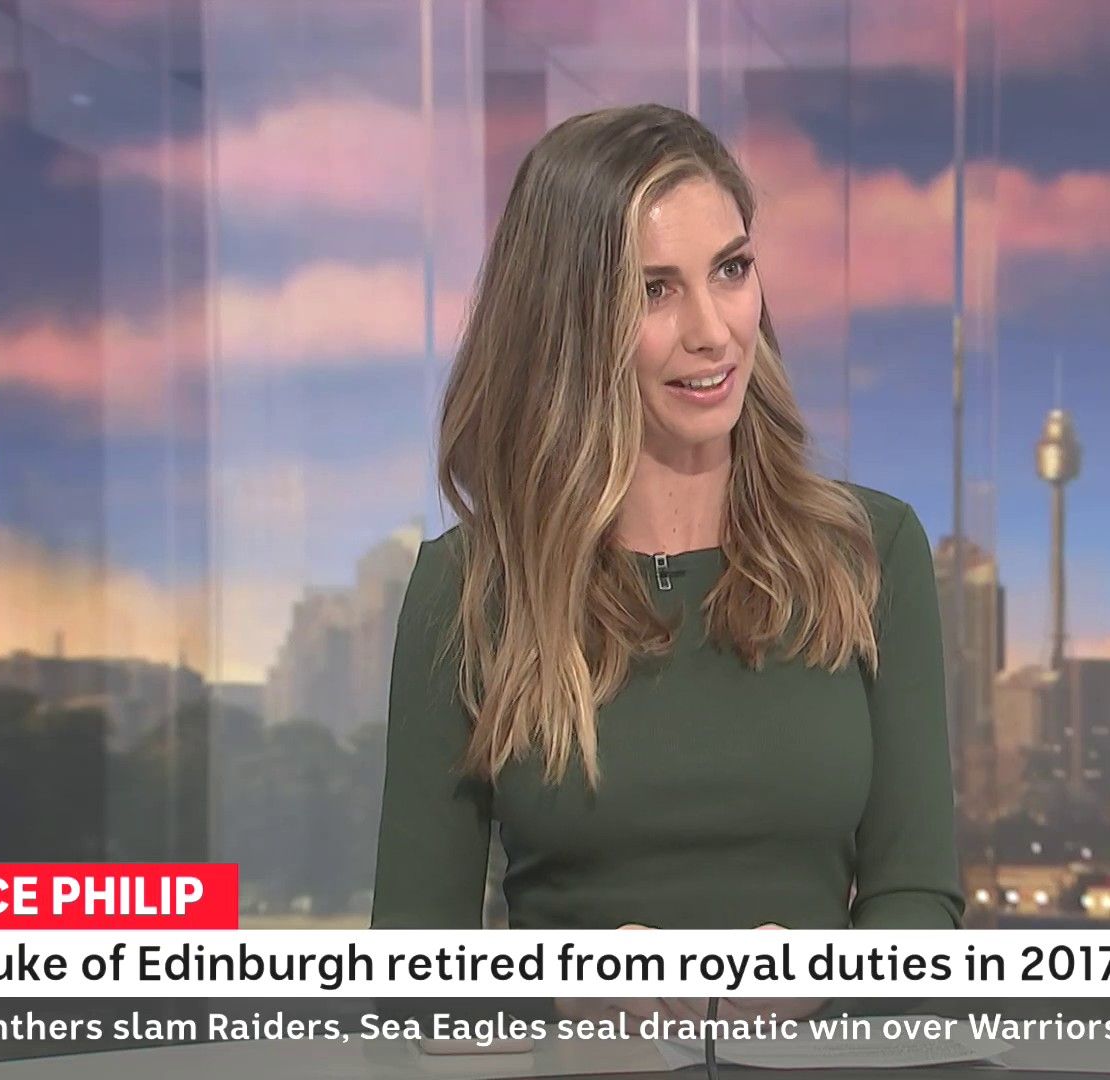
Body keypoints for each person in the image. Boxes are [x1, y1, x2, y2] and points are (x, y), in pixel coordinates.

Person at [369, 103, 963, 1024]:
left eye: (731, 270)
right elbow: (415, 972)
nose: (713, 331)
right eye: (654, 290)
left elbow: (918, 905)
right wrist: (574, 999)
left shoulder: (869, 551)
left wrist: (817, 987)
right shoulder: (472, 588)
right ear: (570, 320)